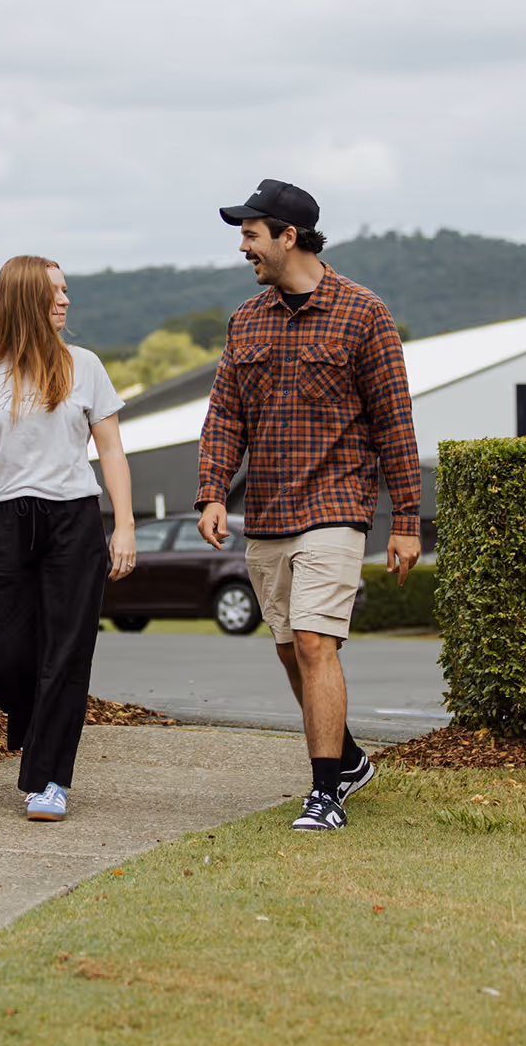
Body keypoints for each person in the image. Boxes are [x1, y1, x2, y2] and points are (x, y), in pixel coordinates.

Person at [197, 180, 421, 832]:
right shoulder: (247, 320)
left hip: (337, 504)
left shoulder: (363, 314)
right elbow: (224, 417)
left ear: (288, 236)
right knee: (291, 648)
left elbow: (393, 423)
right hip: (268, 513)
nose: (244, 246)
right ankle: (346, 757)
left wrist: (406, 519)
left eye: (251, 233)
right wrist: (213, 490)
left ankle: (325, 793)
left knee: (318, 642)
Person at [0, 255, 135, 822]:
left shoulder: (85, 366)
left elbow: (113, 451)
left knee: (67, 653)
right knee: (7, 656)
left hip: (73, 520)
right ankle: (33, 727)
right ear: (24, 298)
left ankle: (48, 778)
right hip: (3, 523)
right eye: (55, 291)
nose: (66, 300)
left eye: (67, 290)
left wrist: (123, 524)